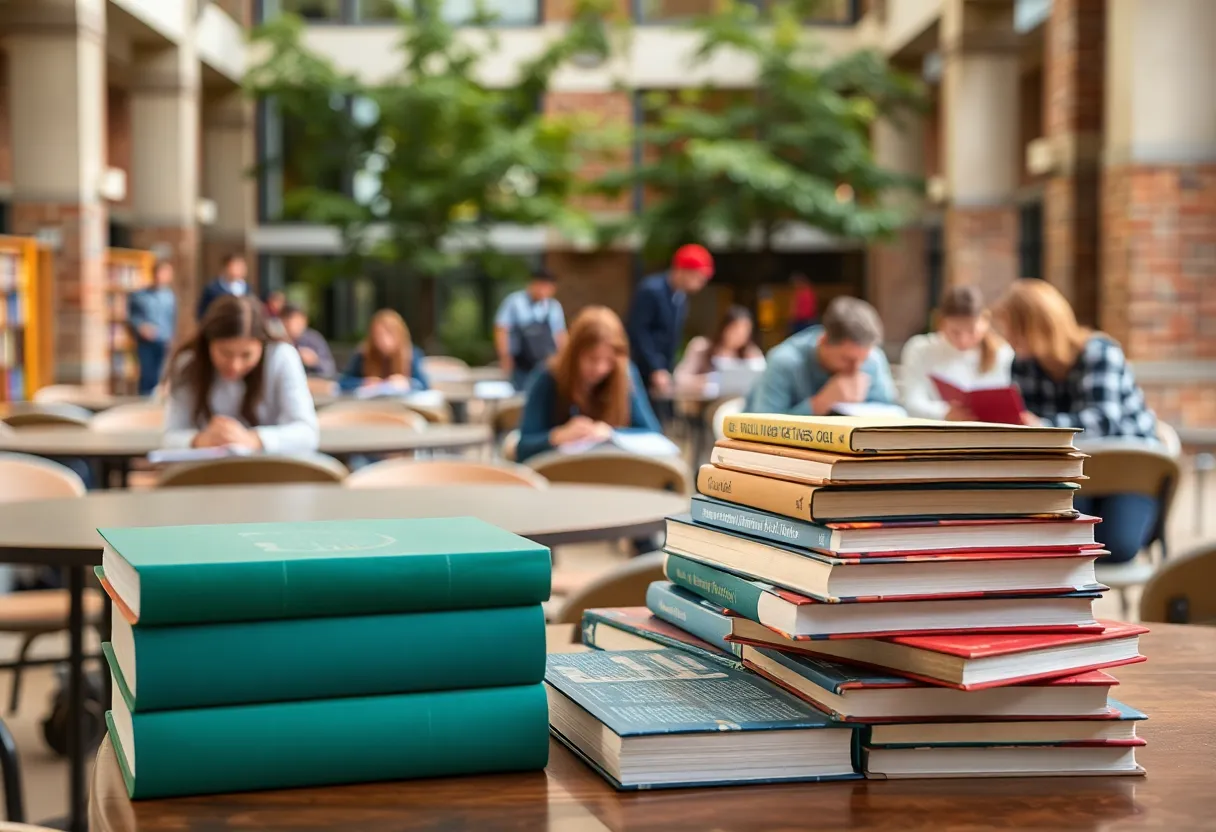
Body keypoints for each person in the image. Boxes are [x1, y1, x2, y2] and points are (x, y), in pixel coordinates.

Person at [993, 279, 1160, 564]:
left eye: (1013, 329)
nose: (1007, 337)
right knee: (1060, 540)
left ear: (1035, 325)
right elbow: (1025, 422)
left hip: (1126, 471)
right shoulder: (1022, 364)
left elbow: (1102, 422)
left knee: (1117, 546)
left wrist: (1044, 426)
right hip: (1071, 475)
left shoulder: (1100, 353)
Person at [163, 295, 319, 454]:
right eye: (225, 353)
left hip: (272, 472)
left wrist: (254, 439)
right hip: (205, 473)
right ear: (208, 343)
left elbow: (307, 434)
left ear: (262, 345)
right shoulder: (188, 363)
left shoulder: (281, 357)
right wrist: (199, 440)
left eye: (246, 355)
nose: (234, 365)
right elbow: (170, 436)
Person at [516, 306, 661, 463]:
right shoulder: (548, 377)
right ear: (574, 353)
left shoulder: (625, 375)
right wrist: (558, 436)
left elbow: (652, 434)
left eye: (608, 361)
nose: (600, 368)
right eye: (592, 359)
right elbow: (523, 447)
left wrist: (611, 433)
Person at [745, 296, 897, 415]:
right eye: (847, 359)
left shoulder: (873, 359)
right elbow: (762, 424)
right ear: (824, 341)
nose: (856, 368)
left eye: (863, 360)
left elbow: (892, 410)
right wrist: (819, 404)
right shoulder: (785, 361)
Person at [900, 285, 1014, 420]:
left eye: (972, 331)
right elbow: (911, 403)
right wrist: (945, 413)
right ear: (941, 323)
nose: (963, 340)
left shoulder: (1003, 352)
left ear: (985, 321)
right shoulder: (920, 348)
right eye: (955, 332)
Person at [626, 244, 715, 404]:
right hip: (643, 372)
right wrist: (655, 368)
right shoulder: (651, 290)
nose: (701, 283)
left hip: (664, 372)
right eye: (698, 277)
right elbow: (639, 332)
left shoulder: (681, 298)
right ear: (682, 270)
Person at [494, 268, 568, 391]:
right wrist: (505, 357)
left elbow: (560, 334)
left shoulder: (553, 307)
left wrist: (564, 359)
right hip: (520, 364)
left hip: (546, 363)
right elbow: (501, 329)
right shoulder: (515, 302)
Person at [338, 309, 429, 393]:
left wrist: (407, 383)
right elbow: (343, 383)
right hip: (369, 407)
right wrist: (363, 382)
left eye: (388, 334)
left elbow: (424, 386)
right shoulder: (363, 354)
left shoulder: (410, 354)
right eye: (379, 335)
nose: (383, 340)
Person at [674, 305, 764, 386]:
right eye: (736, 330)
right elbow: (679, 378)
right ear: (724, 328)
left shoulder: (751, 353)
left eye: (745, 331)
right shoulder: (702, 348)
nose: (740, 335)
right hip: (708, 402)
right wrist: (706, 381)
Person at [127, 260, 178, 395]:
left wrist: (171, 337)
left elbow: (171, 318)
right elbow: (132, 317)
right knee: (147, 372)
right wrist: (141, 327)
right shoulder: (140, 296)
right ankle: (144, 399)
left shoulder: (169, 296)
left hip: (163, 338)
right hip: (146, 340)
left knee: (160, 373)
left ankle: (155, 400)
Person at [281, 304, 336, 378]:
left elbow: (330, 369)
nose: (295, 326)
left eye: (299, 322)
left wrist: (315, 361)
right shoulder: (279, 341)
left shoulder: (314, 339)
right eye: (291, 321)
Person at [197, 253, 249, 321]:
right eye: (236, 266)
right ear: (226, 267)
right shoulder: (213, 289)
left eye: (242, 266)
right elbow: (202, 313)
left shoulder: (247, 289)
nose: (240, 269)